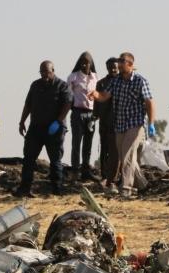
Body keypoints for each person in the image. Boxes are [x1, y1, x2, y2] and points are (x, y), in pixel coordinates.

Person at [96, 52, 155, 198]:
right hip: (120, 124)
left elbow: (149, 102)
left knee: (128, 155)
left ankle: (126, 189)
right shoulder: (116, 81)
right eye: (119, 61)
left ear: (130, 64)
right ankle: (143, 184)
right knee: (124, 156)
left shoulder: (140, 81)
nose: (119, 64)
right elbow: (104, 96)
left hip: (135, 124)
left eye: (122, 61)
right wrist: (95, 95)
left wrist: (151, 123)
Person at [16, 60, 72, 197]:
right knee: (28, 158)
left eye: (46, 72)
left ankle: (57, 190)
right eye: (41, 72)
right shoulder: (35, 85)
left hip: (54, 129)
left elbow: (68, 104)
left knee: (55, 160)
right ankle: (24, 189)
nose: (44, 75)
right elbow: (28, 104)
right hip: (36, 128)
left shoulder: (62, 86)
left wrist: (58, 122)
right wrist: (22, 121)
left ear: (53, 70)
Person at [66, 52, 99, 180]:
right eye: (83, 62)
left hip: (91, 114)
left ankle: (86, 170)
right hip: (77, 113)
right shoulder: (73, 77)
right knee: (76, 143)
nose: (85, 65)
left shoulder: (95, 77)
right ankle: (75, 171)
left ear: (91, 64)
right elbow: (68, 96)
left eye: (87, 62)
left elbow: (98, 95)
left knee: (88, 144)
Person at [95, 57, 120, 185]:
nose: (113, 69)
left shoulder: (122, 82)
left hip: (119, 122)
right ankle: (104, 175)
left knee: (116, 151)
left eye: (115, 67)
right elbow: (97, 101)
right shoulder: (101, 83)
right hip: (104, 121)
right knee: (104, 149)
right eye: (110, 67)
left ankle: (116, 176)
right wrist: (95, 116)